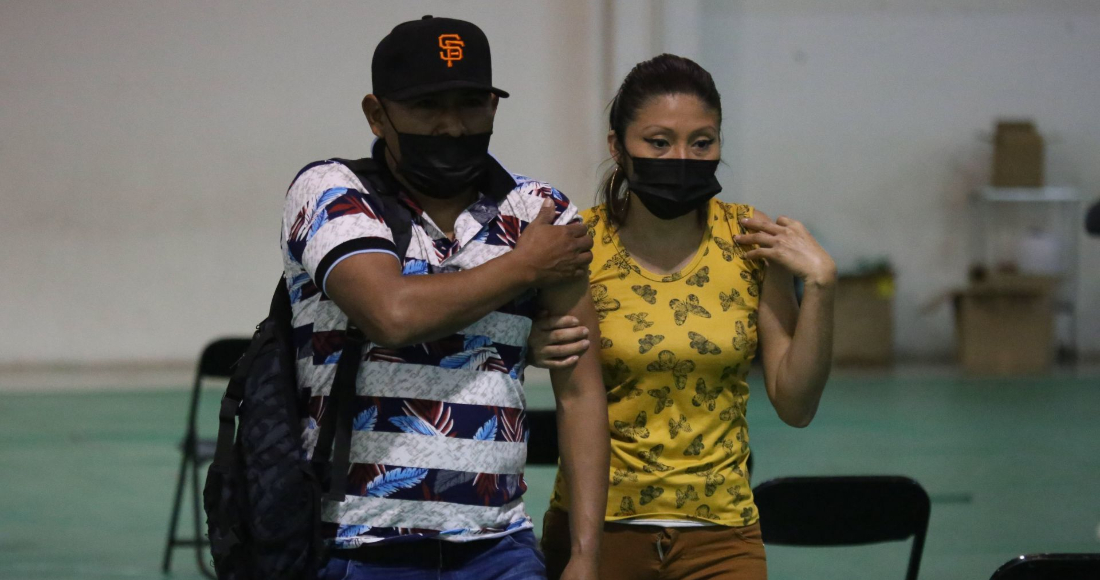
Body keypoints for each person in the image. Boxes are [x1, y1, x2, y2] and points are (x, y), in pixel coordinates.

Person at [280, 16, 608, 580]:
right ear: (377, 114)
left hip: (498, 547)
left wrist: (584, 555)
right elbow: (391, 313)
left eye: (471, 104)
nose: (453, 126)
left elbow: (580, 392)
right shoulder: (333, 192)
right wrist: (524, 267)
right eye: (427, 106)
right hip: (355, 544)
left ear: (494, 106)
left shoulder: (540, 211)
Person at [530, 54, 836, 580]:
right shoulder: (579, 245)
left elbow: (796, 404)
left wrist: (823, 286)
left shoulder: (750, 240)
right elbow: (554, 381)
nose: (682, 158)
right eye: (658, 142)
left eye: (701, 142)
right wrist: (526, 345)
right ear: (617, 147)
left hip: (724, 534)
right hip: (600, 529)